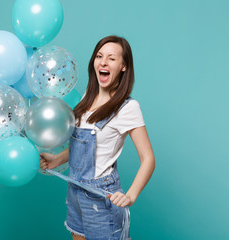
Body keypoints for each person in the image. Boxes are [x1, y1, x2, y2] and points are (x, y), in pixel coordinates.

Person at [40, 35, 155, 240]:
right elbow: (82, 148)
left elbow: (148, 159)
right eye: (99, 56)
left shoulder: (128, 108)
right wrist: (56, 159)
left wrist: (131, 195)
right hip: (74, 191)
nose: (103, 62)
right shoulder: (86, 98)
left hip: (101, 199)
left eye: (111, 58)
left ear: (123, 66)